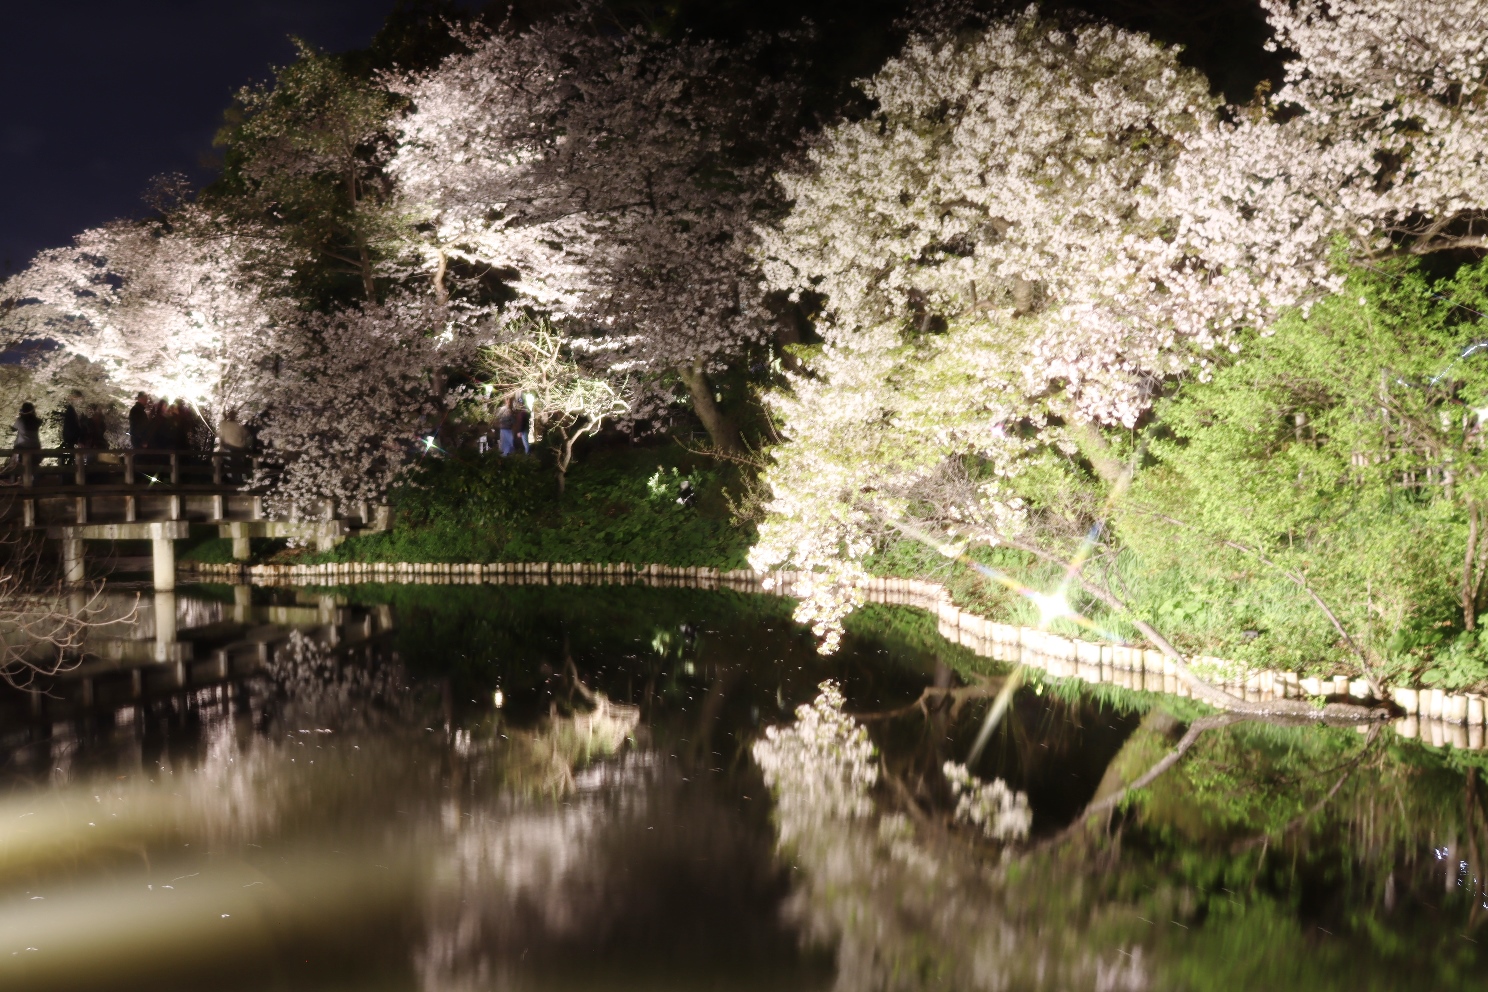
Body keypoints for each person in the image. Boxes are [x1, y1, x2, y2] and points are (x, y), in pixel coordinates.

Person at [59, 390, 83, 457]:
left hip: (70, 424)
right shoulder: (67, 439)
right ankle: (72, 397)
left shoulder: (74, 439)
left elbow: (78, 429)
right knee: (70, 409)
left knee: (70, 410)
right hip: (69, 423)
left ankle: (73, 397)